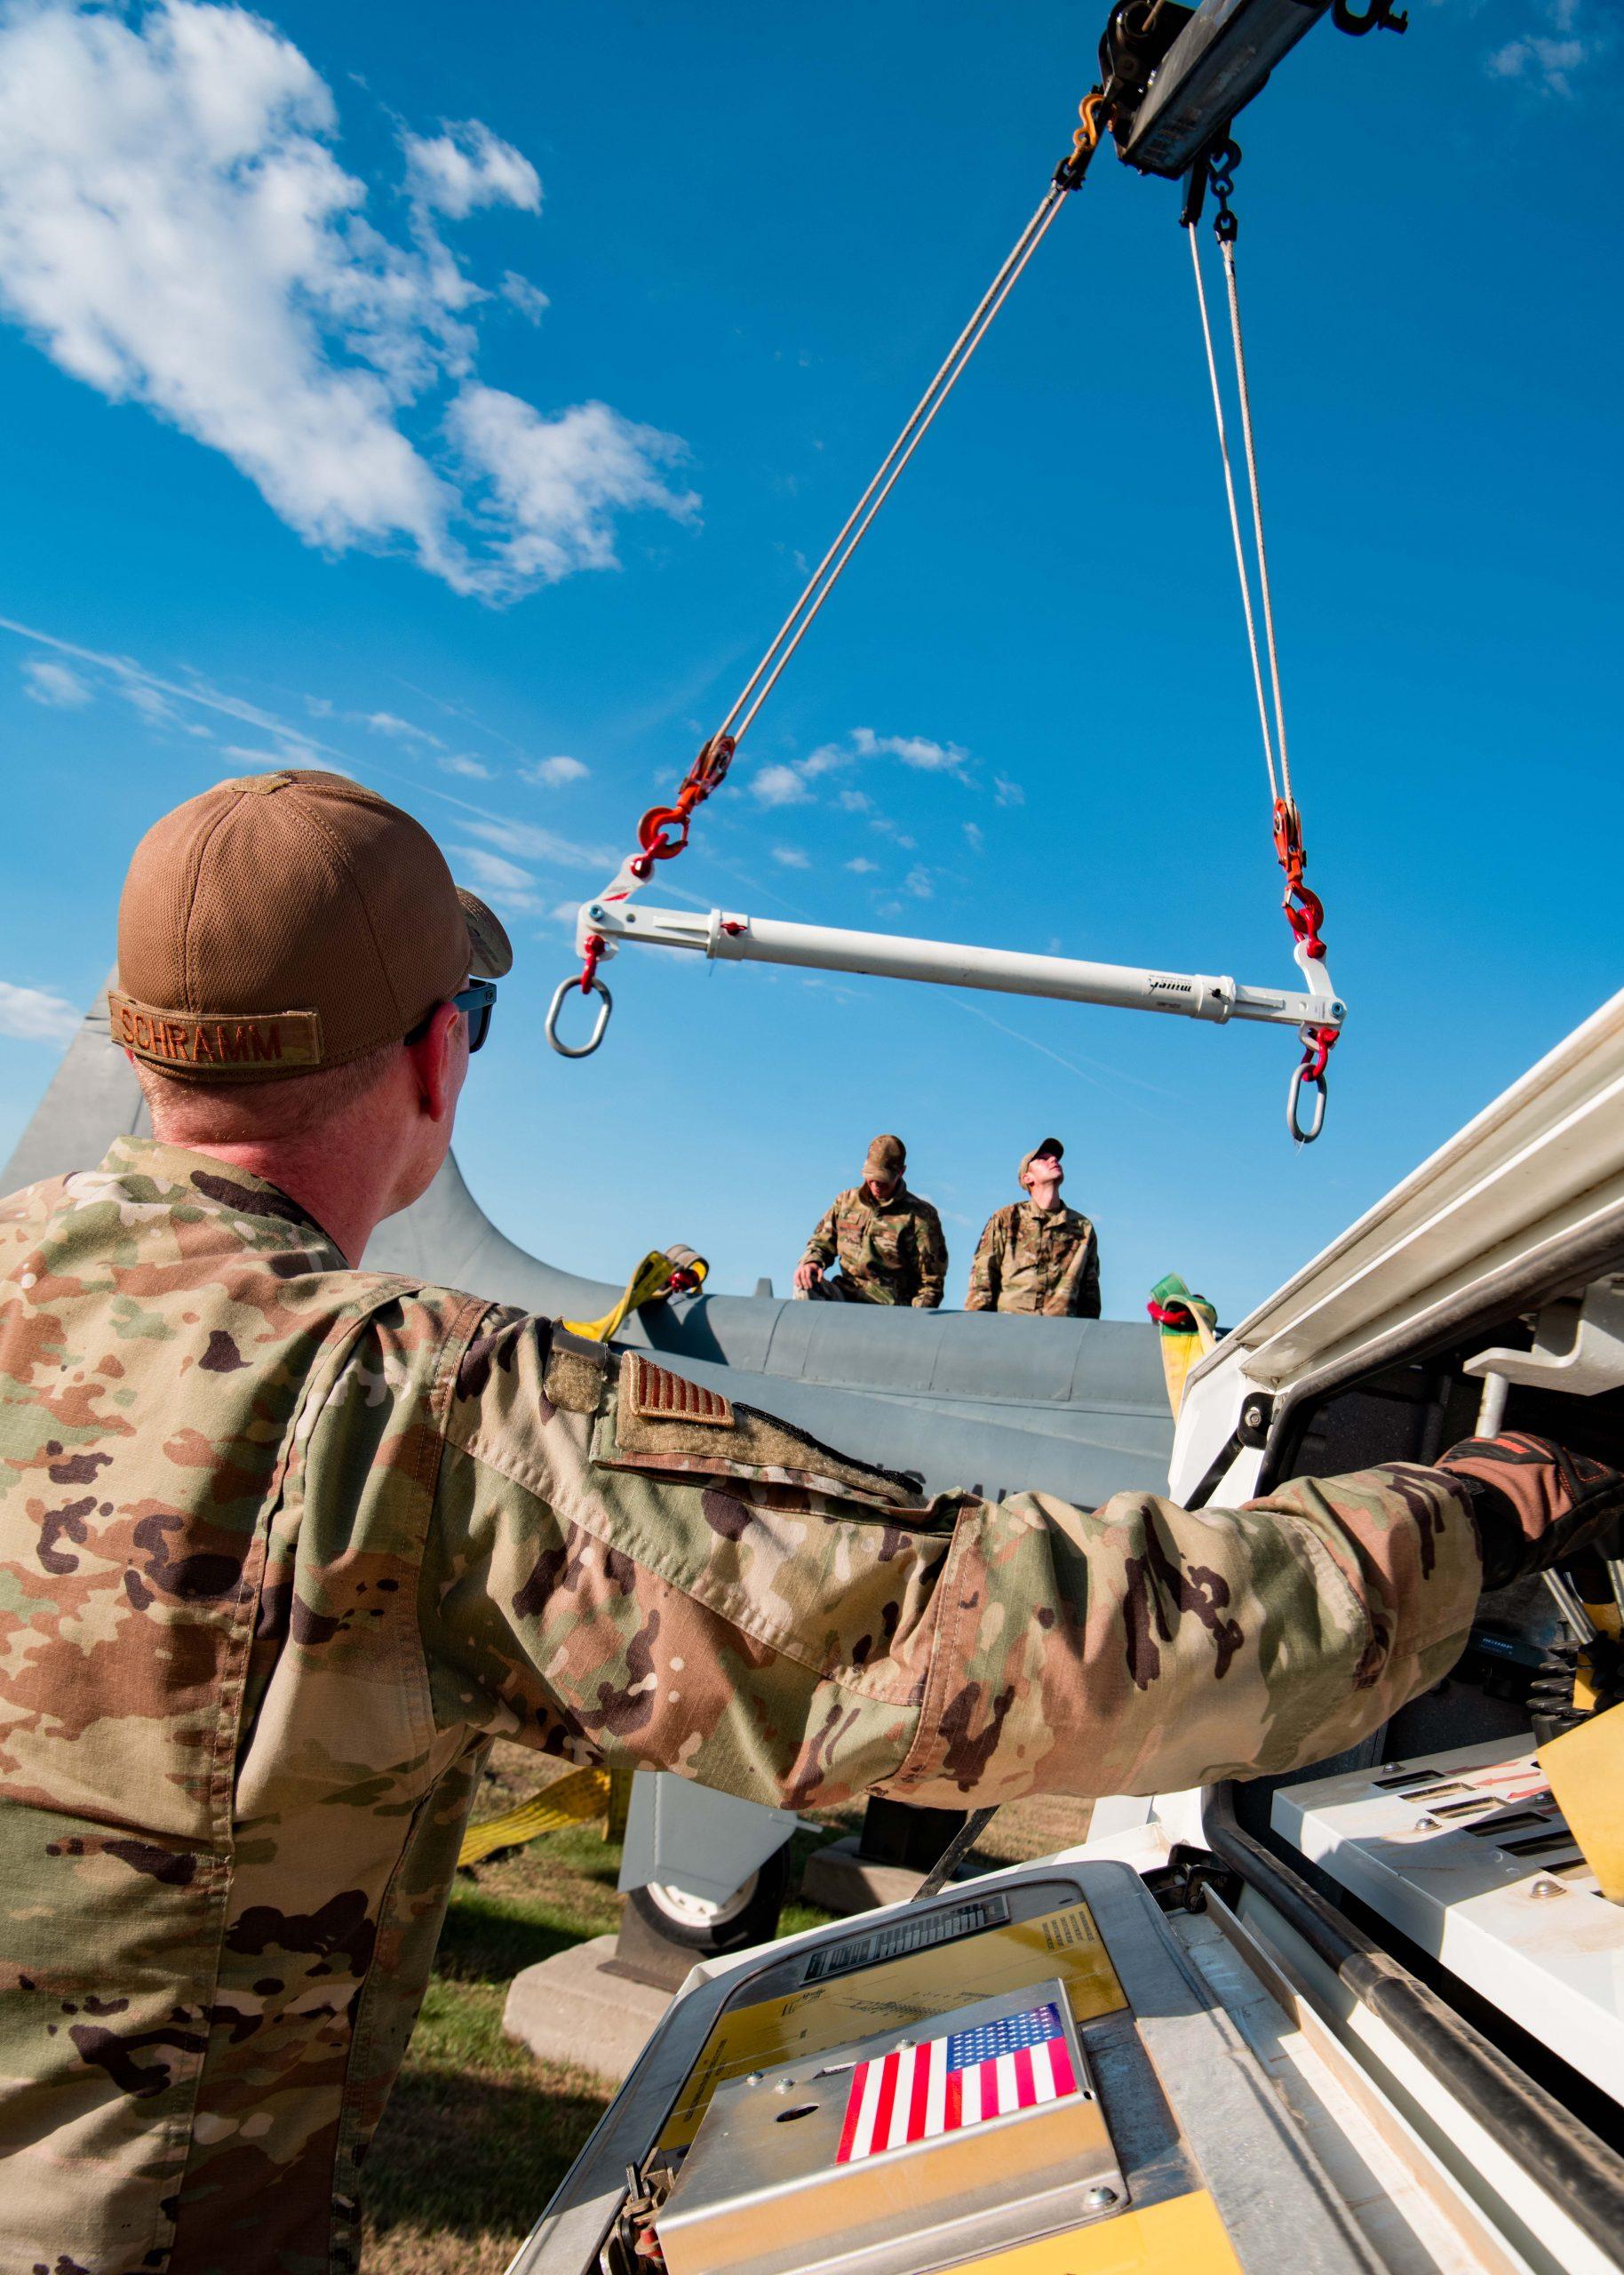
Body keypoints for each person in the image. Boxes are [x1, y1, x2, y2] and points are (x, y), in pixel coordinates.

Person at [3, 769, 1620, 2275]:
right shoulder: (416, 1411)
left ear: (147, 1048)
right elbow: (958, 1649)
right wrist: (1479, 1504)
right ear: (441, 1055)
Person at [792, 1132, 947, 1307]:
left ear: (901, 1172)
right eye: (872, 1176)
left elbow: (931, 1283)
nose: (876, 1184)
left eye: (883, 1179)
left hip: (890, 1310)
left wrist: (913, 1323)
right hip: (845, 1295)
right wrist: (811, 1262)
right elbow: (820, 1243)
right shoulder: (846, 1202)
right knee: (805, 1285)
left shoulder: (921, 1217)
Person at [965, 1137, 1100, 1317]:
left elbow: (1090, 1295)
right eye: (1043, 1158)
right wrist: (974, 1334)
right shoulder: (1005, 1219)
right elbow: (982, 1284)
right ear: (1027, 1178)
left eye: (1055, 1158)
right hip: (1007, 1333)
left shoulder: (1083, 1228)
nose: (1053, 1160)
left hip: (1062, 1337)